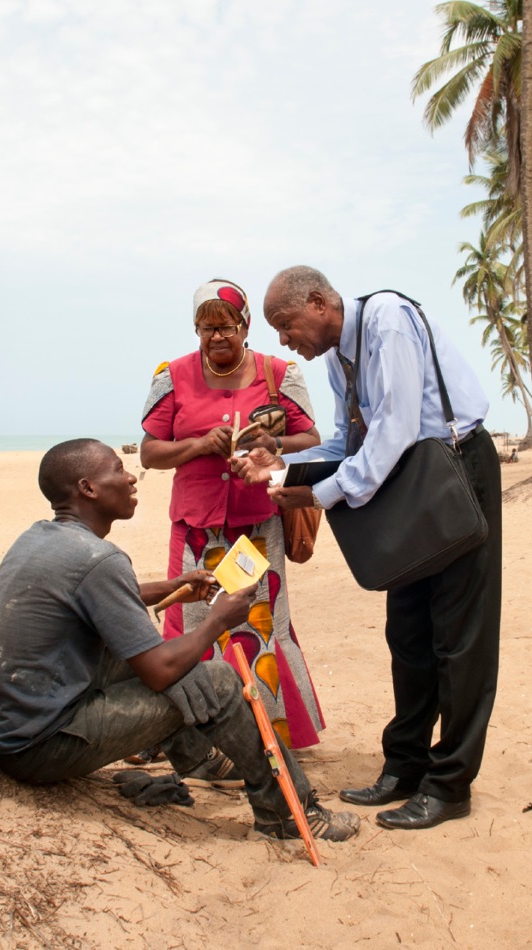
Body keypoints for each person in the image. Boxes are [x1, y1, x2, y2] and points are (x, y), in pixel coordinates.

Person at [0, 438, 360, 845]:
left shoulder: (42, 539)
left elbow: (95, 599)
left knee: (136, 646)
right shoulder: (99, 559)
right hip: (40, 748)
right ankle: (289, 815)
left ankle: (200, 761)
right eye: (118, 471)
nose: (131, 477)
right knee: (218, 680)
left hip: (3, 730)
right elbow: (159, 673)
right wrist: (216, 621)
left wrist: (171, 587)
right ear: (88, 488)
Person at [232, 266, 502, 830]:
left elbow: (395, 431)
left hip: (450, 474)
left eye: (286, 324)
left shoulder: (387, 322)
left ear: (317, 302)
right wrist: (282, 462)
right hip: (406, 480)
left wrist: (318, 493)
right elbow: (348, 440)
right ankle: (404, 766)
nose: (284, 340)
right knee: (407, 633)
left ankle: (450, 784)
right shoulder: (339, 358)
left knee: (458, 636)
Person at [140, 278, 325, 751]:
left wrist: (270, 446)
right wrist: (198, 445)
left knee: (258, 623)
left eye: (226, 327)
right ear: (195, 330)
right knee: (192, 624)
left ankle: (269, 735)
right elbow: (150, 452)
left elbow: (312, 439)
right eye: (206, 328)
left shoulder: (278, 373)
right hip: (196, 527)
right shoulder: (172, 374)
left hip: (257, 527)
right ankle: (191, 740)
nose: (216, 337)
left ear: (245, 325)